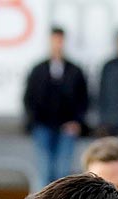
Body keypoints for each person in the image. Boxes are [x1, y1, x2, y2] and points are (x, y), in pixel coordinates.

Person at [22, 26, 89, 189]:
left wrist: (76, 122)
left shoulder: (74, 71)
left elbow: (83, 99)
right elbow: (29, 98)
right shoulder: (39, 70)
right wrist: (34, 121)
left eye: (60, 41)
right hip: (43, 126)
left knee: (62, 173)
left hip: (67, 127)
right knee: (43, 172)